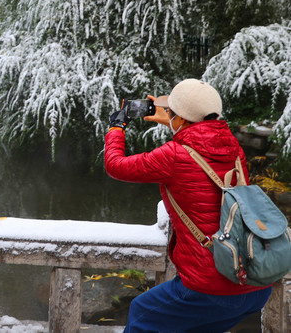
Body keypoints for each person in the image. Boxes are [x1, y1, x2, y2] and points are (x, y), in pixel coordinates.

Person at [104, 79, 273, 332]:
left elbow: (116, 165)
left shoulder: (173, 155)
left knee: (141, 312)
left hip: (212, 286)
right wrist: (175, 121)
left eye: (171, 112)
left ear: (181, 118)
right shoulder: (233, 148)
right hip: (255, 284)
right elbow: (203, 142)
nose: (167, 115)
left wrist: (116, 127)